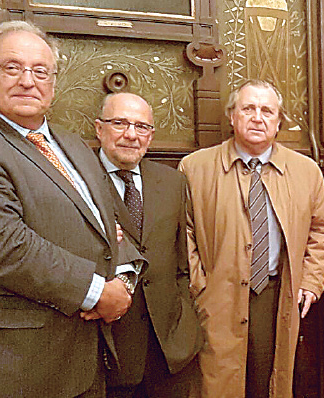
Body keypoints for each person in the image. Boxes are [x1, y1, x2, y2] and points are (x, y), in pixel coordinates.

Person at [0, 21, 137, 397]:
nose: (27, 80)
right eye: (12, 67)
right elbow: (4, 245)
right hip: (14, 365)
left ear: (53, 85)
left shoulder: (76, 147)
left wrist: (127, 280)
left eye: (40, 71)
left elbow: (116, 227)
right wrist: (98, 292)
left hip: (84, 357)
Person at [179, 79, 324, 397]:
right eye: (248, 108)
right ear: (232, 115)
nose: (257, 117)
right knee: (217, 382)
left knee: (269, 383)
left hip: (276, 296)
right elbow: (184, 234)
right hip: (216, 298)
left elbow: (323, 231)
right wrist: (201, 287)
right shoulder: (195, 168)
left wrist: (310, 282)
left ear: (278, 122)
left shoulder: (306, 172)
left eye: (267, 110)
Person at [95, 92, 204, 398]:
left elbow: (181, 263)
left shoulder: (172, 182)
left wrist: (186, 327)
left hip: (169, 350)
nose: (131, 134)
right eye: (120, 123)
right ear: (99, 129)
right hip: (106, 352)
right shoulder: (79, 180)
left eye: (141, 127)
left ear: (151, 135)